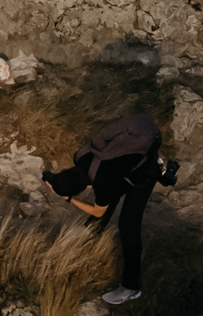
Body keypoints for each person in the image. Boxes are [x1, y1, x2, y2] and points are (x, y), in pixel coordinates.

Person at [45, 113, 176, 305]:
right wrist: (58, 183)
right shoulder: (81, 156)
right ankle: (83, 247)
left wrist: (69, 199)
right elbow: (95, 177)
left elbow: (98, 211)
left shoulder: (103, 181)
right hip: (127, 164)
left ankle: (131, 287)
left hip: (142, 177)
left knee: (127, 226)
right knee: (106, 202)